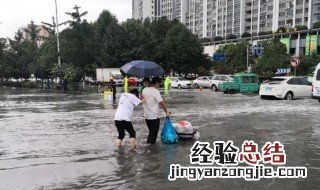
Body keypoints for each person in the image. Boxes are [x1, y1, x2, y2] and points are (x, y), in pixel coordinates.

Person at [142, 77, 170, 144]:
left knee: (151, 132)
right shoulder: (155, 91)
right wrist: (167, 112)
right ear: (157, 83)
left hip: (146, 116)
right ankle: (152, 151)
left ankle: (148, 148)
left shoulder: (144, 90)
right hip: (154, 116)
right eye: (159, 84)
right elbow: (161, 103)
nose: (159, 86)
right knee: (153, 135)